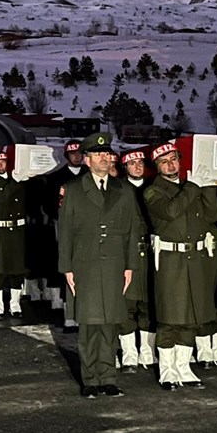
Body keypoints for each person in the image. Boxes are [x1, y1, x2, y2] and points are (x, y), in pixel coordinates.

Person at [58, 132, 142, 398]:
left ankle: (108, 377)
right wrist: (67, 268)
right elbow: (66, 231)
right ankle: (90, 379)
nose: (104, 159)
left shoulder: (124, 190)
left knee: (111, 325)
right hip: (86, 265)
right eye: (98, 155)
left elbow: (132, 231)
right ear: (87, 160)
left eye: (107, 154)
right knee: (90, 325)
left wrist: (130, 266)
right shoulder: (73, 190)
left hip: (116, 265)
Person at [143, 142, 217, 390]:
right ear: (157, 167)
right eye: (164, 161)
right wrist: (194, 186)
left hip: (196, 259)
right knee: (170, 318)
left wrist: (207, 188)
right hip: (171, 261)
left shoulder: (191, 187)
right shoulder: (153, 191)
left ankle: (184, 367)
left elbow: (212, 216)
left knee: (191, 316)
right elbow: (172, 211)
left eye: (174, 159)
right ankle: (167, 369)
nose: (170, 164)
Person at [41, 140, 87, 317]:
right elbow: (49, 204)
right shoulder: (56, 178)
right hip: (63, 224)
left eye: (79, 153)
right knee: (61, 258)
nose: (77, 156)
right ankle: (58, 300)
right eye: (73, 154)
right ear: (67, 156)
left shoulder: (87, 174)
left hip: (85, 225)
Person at [119, 149, 155, 371]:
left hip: (151, 252)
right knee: (127, 305)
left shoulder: (155, 186)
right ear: (126, 168)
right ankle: (129, 353)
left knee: (149, 304)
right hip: (128, 253)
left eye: (140, 162)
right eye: (132, 164)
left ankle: (148, 351)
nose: (137, 166)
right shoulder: (119, 189)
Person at [0, 148, 27, 319]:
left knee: (17, 271)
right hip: (1, 230)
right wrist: (15, 181)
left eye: (3, 162)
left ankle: (15, 305)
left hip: (18, 230)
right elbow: (0, 198)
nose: (1, 165)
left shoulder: (16, 181)